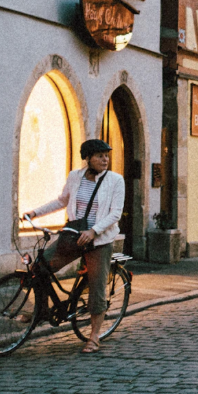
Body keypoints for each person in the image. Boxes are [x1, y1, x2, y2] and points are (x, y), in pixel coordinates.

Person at [24, 138, 124, 354]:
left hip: (99, 240)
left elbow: (115, 213)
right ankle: (41, 311)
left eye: (106, 155)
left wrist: (94, 231)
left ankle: (94, 337)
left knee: (97, 287)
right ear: (87, 158)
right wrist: (35, 213)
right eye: (99, 155)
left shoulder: (115, 181)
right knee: (40, 267)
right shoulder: (75, 177)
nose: (105, 159)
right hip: (73, 236)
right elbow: (62, 200)